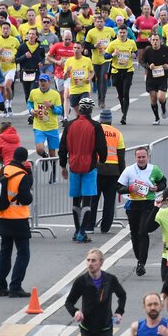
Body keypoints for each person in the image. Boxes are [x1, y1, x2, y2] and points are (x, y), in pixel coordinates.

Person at [58, 97, 108, 243]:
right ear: (91, 110)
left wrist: (63, 166)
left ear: (79, 109)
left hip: (73, 165)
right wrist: (103, 160)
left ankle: (76, 229)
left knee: (76, 199)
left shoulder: (69, 125)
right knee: (87, 200)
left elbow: (62, 148)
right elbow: (101, 147)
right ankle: (82, 232)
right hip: (89, 166)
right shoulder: (95, 126)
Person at [119, 147, 167, 276]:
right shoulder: (129, 170)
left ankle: (141, 263)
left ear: (148, 157)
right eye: (138, 157)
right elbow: (119, 188)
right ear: (135, 158)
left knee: (143, 231)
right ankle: (139, 257)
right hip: (133, 205)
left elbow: (163, 182)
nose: (141, 159)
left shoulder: (154, 169)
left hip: (148, 204)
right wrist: (129, 188)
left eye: (143, 157)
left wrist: (157, 187)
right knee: (135, 234)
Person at [0, 147, 34, 298]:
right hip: (18, 218)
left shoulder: (1, 170)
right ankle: (15, 286)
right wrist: (29, 177)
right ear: (24, 160)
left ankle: (0, 286)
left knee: (5, 251)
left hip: (1, 216)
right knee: (23, 253)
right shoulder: (22, 175)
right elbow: (27, 199)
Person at [93, 109, 127, 233]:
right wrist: (123, 176)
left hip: (97, 169)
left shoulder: (95, 131)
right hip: (113, 172)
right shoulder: (117, 133)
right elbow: (121, 156)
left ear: (100, 119)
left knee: (93, 199)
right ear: (111, 120)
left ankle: (90, 226)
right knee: (109, 201)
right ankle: (105, 227)